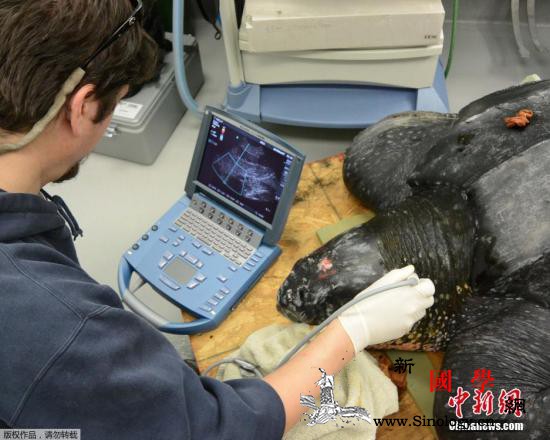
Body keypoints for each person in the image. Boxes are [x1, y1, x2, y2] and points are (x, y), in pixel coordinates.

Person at [0, 1, 435, 438]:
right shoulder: (69, 332)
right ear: (81, 107)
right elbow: (221, 428)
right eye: (115, 104)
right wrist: (353, 330)